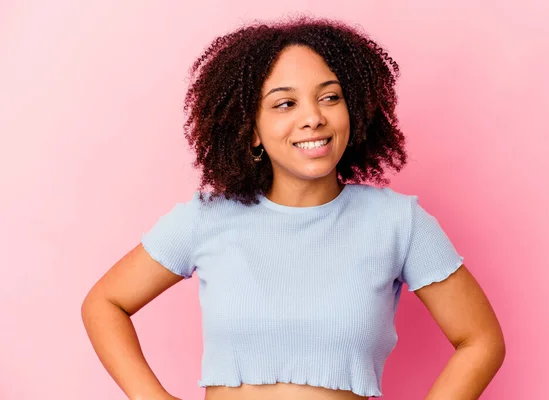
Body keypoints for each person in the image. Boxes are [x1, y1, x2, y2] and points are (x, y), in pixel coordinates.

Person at [81, 16, 505, 400]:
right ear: (251, 132)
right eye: (286, 103)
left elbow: (481, 340)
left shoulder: (398, 222)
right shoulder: (206, 218)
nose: (313, 118)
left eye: (330, 98)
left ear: (352, 111)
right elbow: (105, 303)